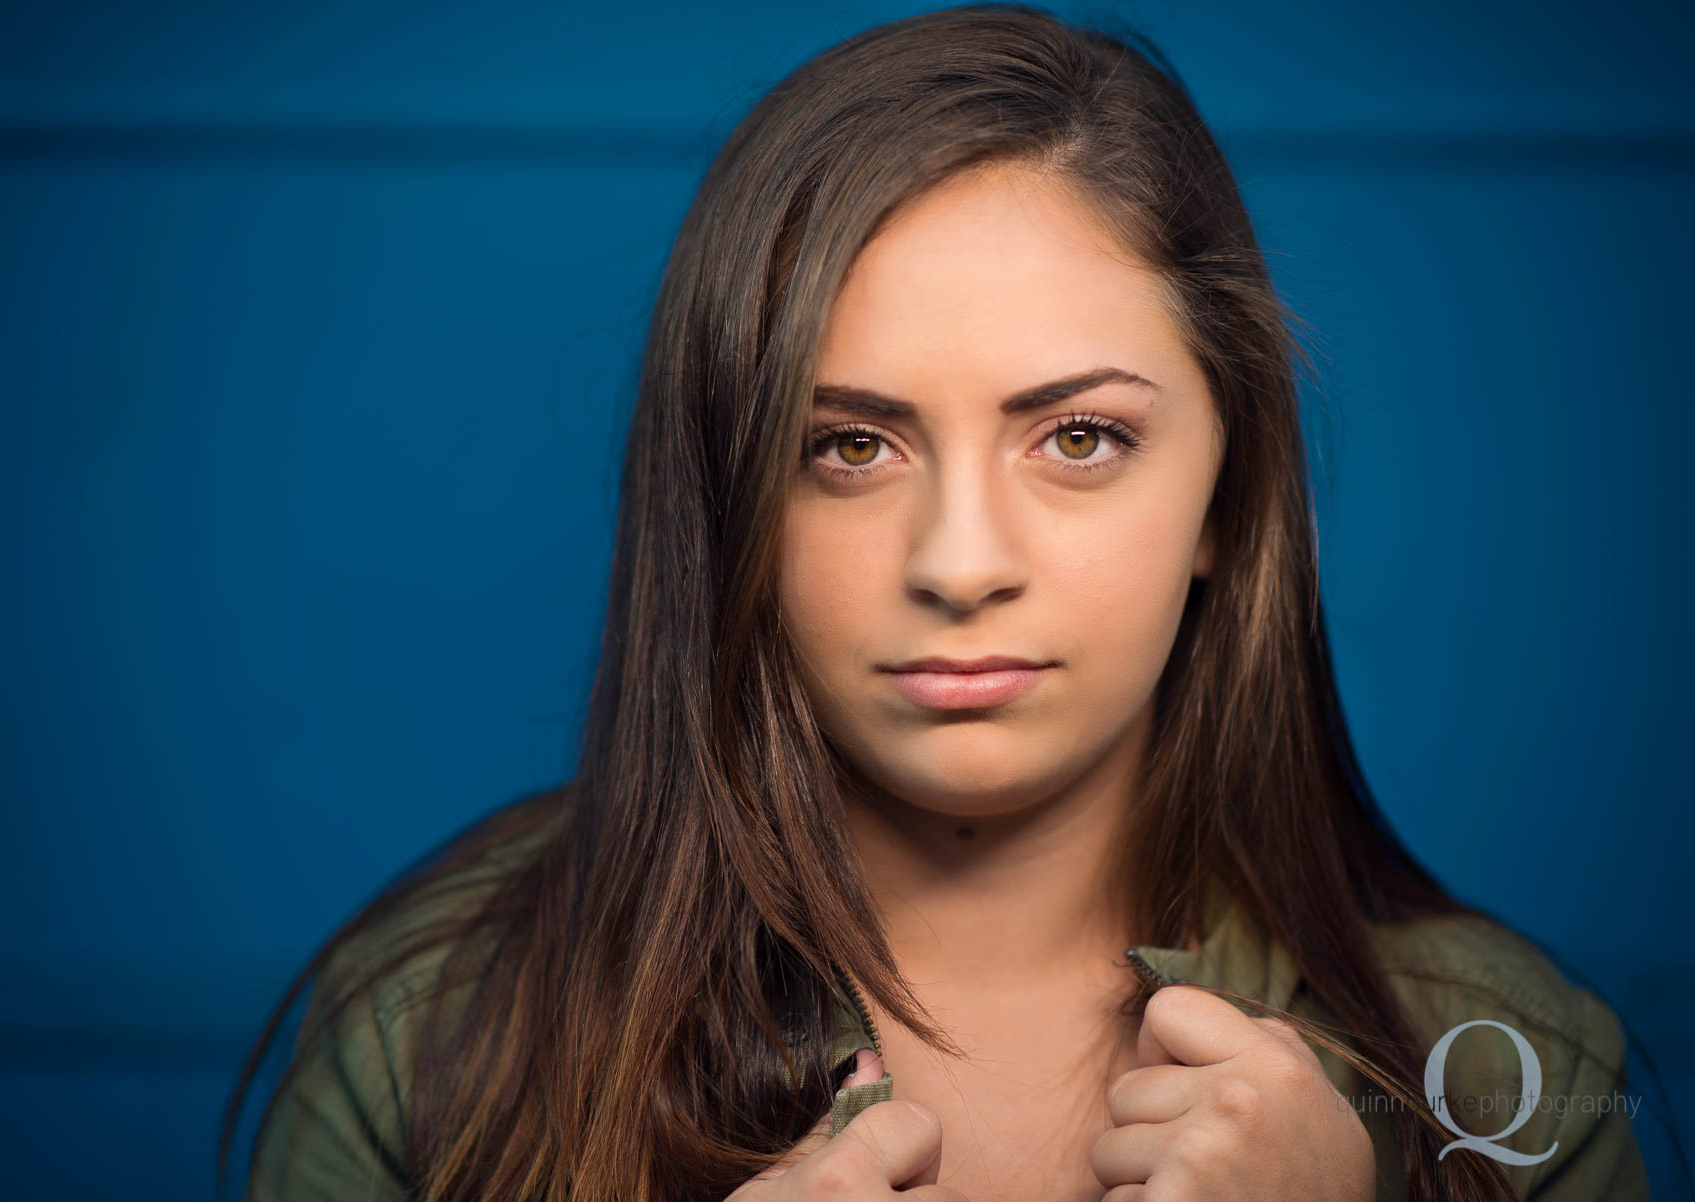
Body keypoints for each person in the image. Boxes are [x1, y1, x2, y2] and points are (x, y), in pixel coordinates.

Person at [219, 5, 1656, 1200]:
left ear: (1227, 496)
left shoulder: (1494, 1068)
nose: (961, 562)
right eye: (849, 446)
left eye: (1080, 437)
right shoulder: (435, 1030)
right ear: (731, 500)